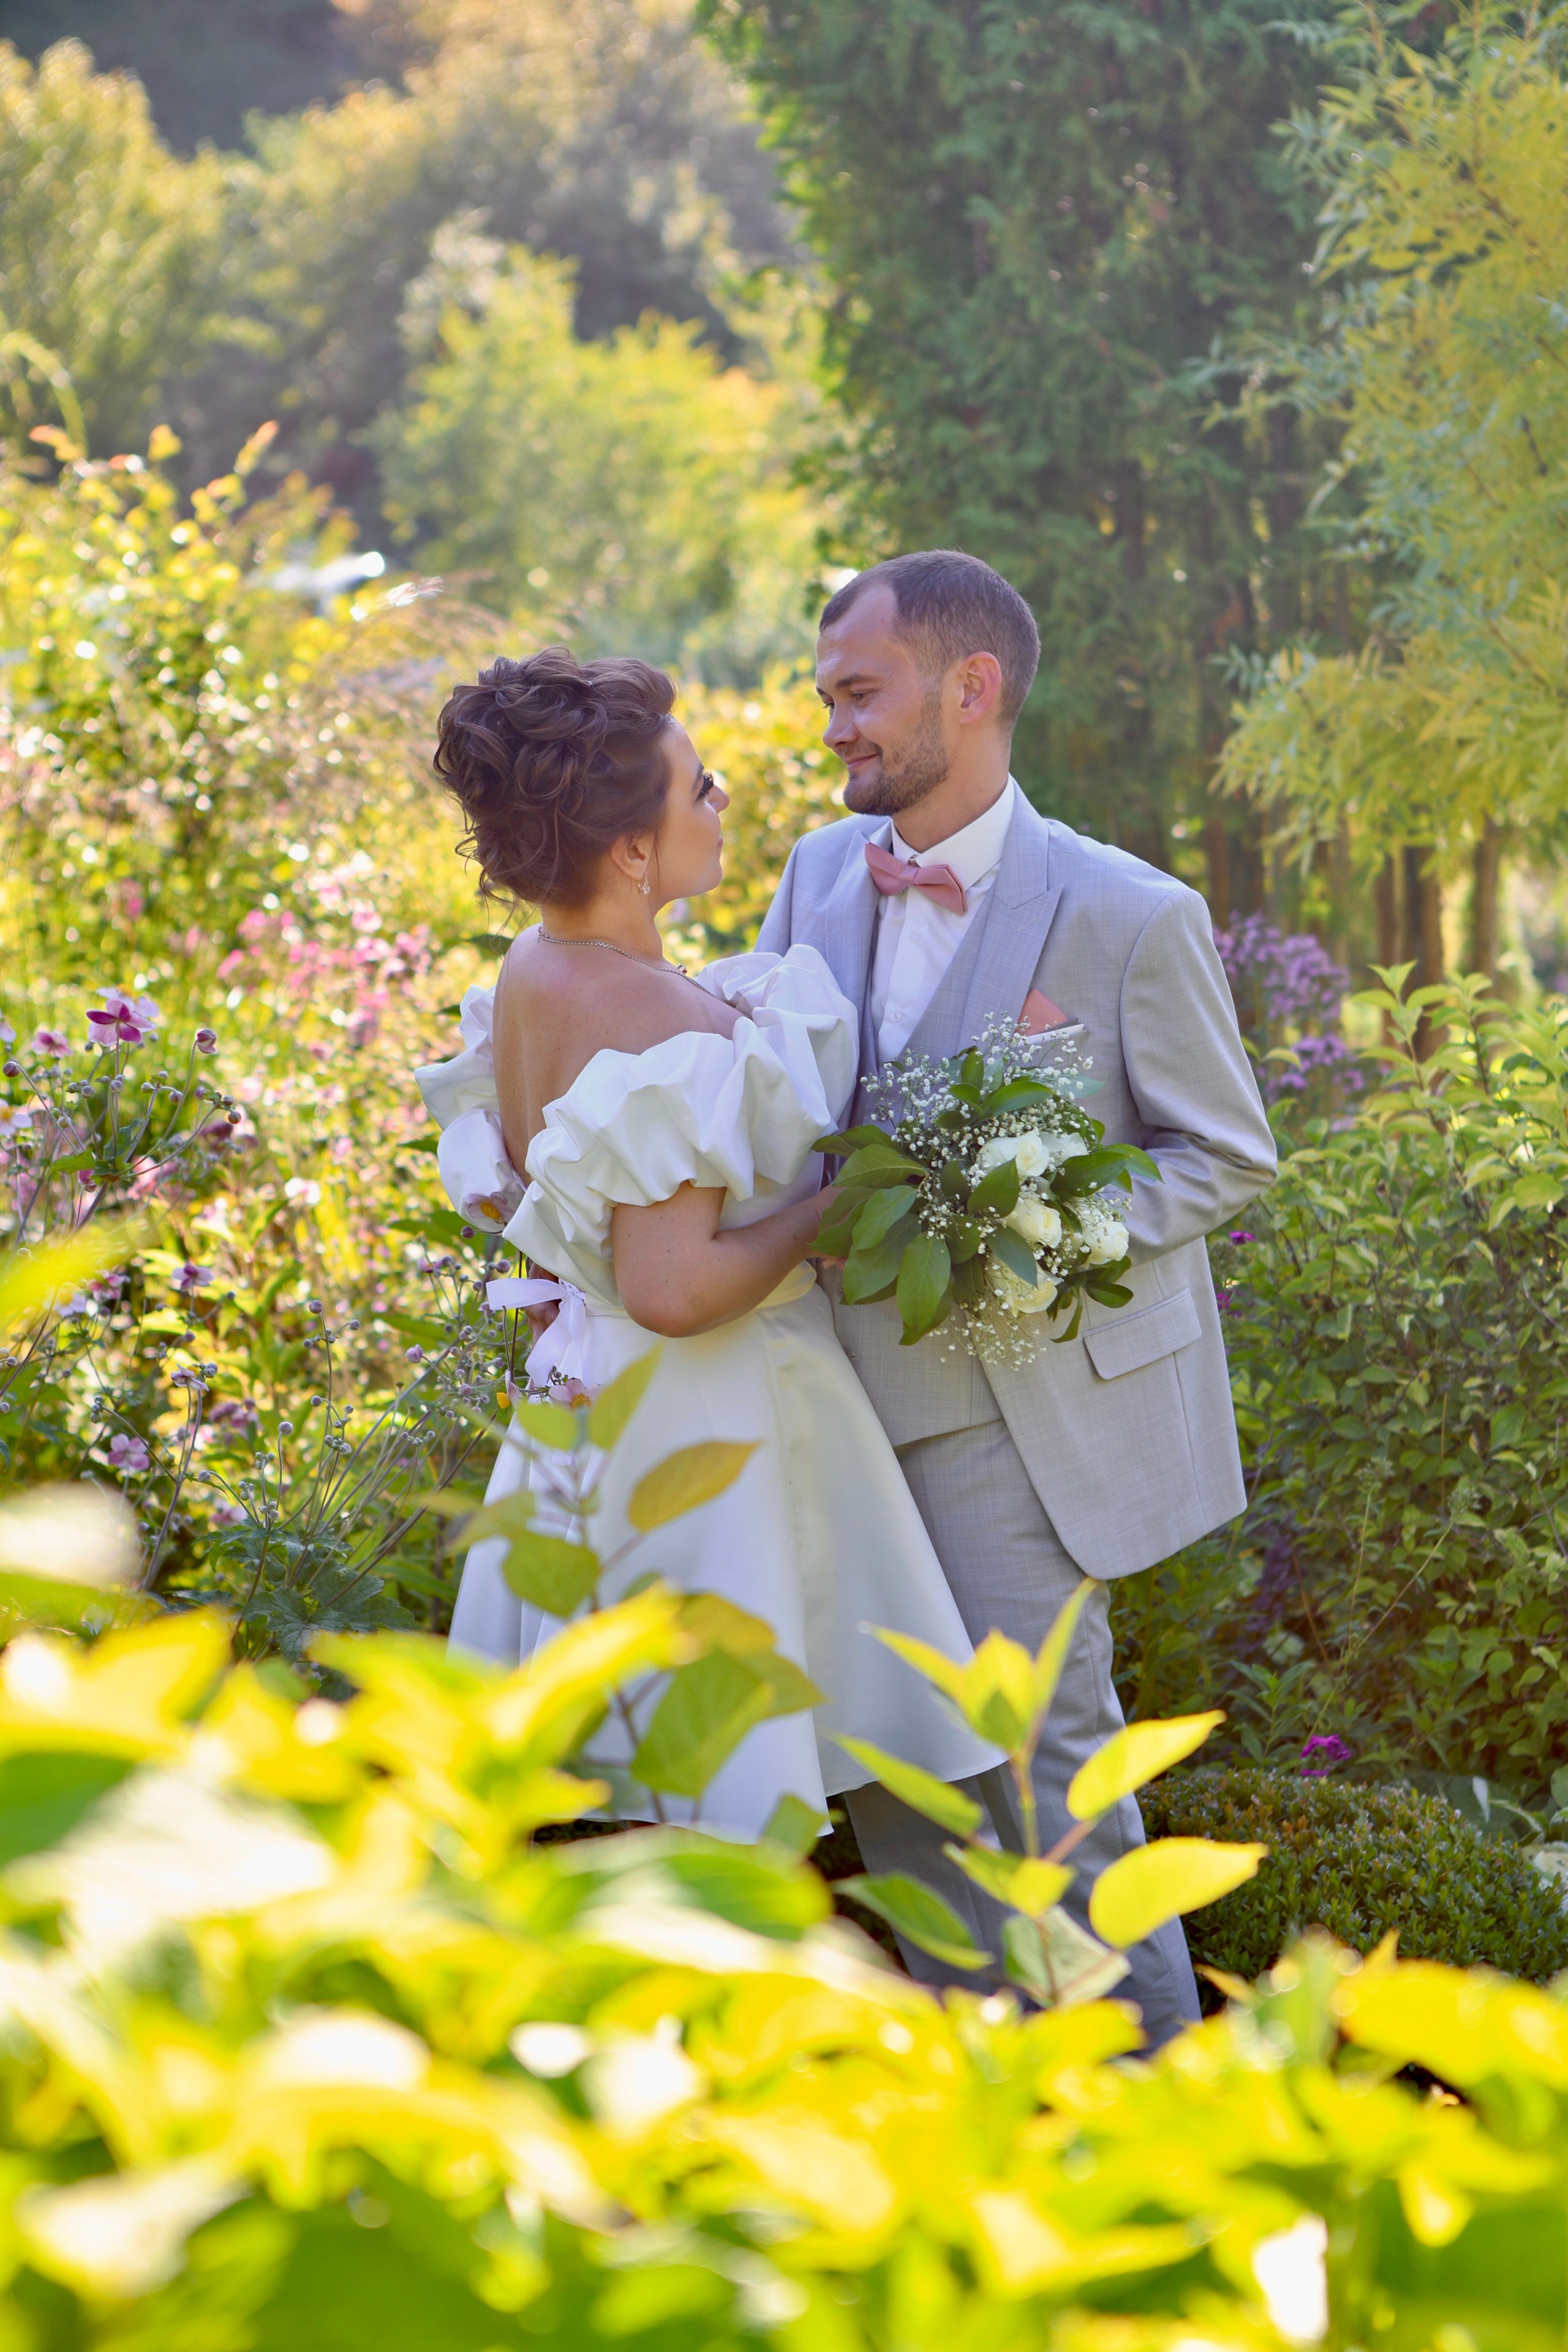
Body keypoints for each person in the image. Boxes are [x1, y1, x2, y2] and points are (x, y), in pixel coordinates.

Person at [756, 550, 1278, 2043]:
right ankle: (1001, 2134)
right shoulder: (809, 876)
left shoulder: (1128, 914)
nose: (834, 725)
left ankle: (1161, 2142)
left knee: (1050, 1803)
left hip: (1016, 1422)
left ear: (967, 687)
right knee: (900, 1783)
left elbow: (1222, 1154)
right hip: (838, 1412)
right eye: (827, 697)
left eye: (858, 693)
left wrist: (1038, 1228)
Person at [415, 646, 1000, 1841]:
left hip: (586, 1417)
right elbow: (671, 1286)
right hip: (696, 1438)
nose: (721, 800)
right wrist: (834, 1210)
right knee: (716, 1788)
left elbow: (551, 1220)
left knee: (631, 1790)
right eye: (700, 785)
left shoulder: (533, 971)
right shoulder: (660, 1023)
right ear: (631, 847)